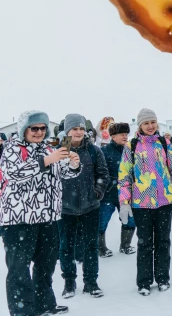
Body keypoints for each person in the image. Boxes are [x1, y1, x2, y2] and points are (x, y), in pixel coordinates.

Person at [0, 110, 81, 316]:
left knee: (45, 265)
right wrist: (47, 161)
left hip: (47, 217)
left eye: (42, 128)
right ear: (23, 129)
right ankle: (22, 311)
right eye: (34, 128)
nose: (38, 132)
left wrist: (73, 164)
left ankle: (44, 304)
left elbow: (62, 172)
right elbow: (14, 173)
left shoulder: (47, 148)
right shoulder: (12, 148)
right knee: (19, 269)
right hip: (19, 219)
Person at [118, 108, 172, 296]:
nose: (150, 126)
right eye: (146, 123)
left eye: (153, 122)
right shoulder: (131, 147)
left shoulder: (164, 144)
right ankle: (144, 282)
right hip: (141, 203)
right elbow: (124, 177)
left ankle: (163, 278)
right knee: (144, 243)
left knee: (163, 241)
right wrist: (124, 202)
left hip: (164, 202)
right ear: (139, 125)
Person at [59, 114, 109, 299]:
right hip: (65, 209)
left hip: (90, 207)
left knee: (91, 245)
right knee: (66, 247)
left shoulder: (94, 151)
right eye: (74, 129)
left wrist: (97, 192)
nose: (78, 132)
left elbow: (103, 173)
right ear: (67, 131)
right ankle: (69, 283)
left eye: (81, 128)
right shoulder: (59, 151)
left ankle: (91, 282)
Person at [99, 122, 136, 257]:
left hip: (126, 193)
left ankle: (125, 245)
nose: (125, 137)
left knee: (130, 220)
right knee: (102, 221)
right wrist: (109, 184)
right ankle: (101, 248)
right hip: (108, 193)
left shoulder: (130, 150)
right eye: (122, 134)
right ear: (113, 136)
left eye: (126, 134)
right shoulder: (104, 151)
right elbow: (101, 172)